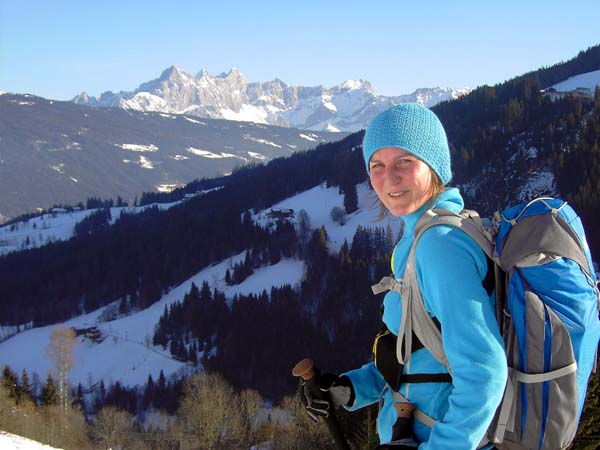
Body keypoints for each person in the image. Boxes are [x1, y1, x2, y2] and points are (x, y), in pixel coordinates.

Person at [303, 103, 508, 449]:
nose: (389, 178)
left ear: (434, 166)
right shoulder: (422, 237)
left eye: (404, 162)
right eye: (377, 166)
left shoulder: (439, 246)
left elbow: (484, 371)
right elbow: (419, 353)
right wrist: (350, 388)